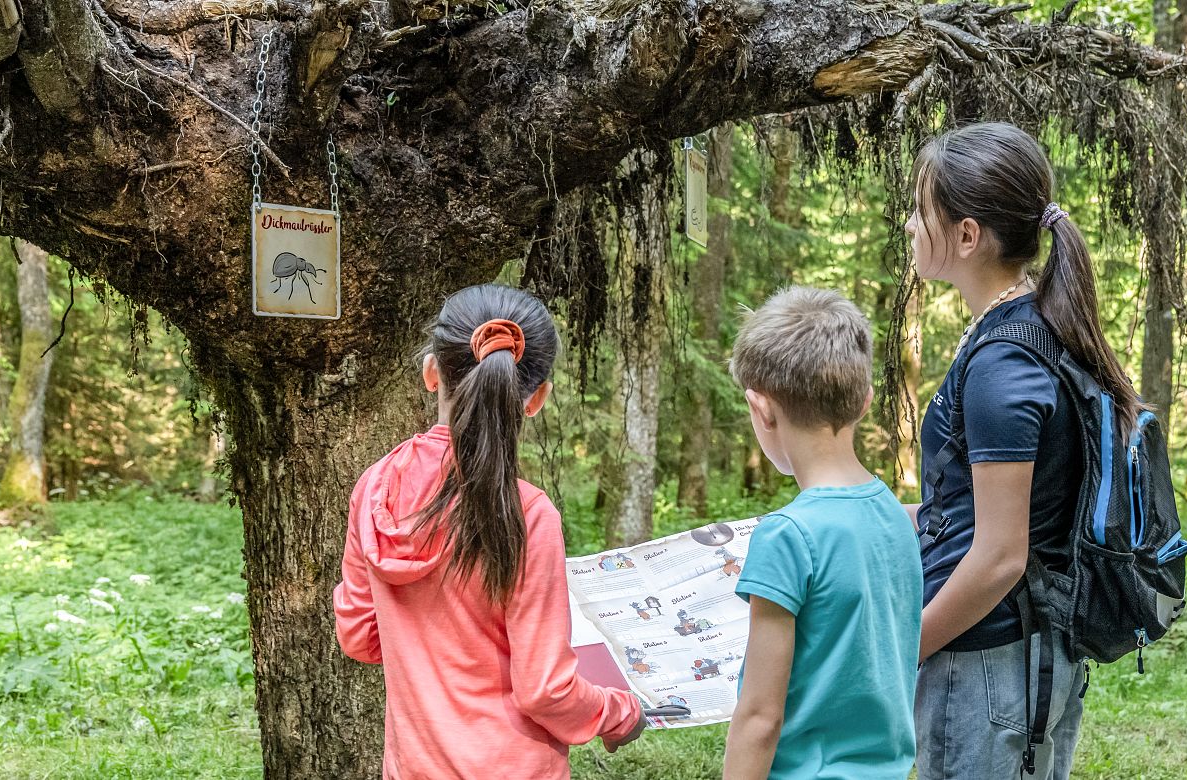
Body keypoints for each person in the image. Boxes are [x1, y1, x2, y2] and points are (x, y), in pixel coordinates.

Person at [333, 284, 644, 779]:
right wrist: (619, 712)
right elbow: (546, 689)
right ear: (536, 397)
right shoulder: (529, 513)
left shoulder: (377, 490)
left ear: (432, 372)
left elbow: (360, 637)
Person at [908, 123, 1143, 778]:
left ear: (965, 234)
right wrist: (872, 513)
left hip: (987, 662)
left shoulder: (1004, 361)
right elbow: (994, 509)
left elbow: (1001, 555)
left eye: (919, 210)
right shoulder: (1040, 325)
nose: (909, 226)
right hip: (1036, 650)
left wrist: (902, 646)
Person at [721, 287, 925, 780]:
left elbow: (760, 718)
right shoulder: (895, 517)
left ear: (761, 409)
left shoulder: (786, 536)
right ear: (864, 402)